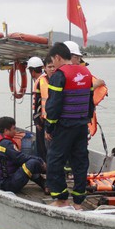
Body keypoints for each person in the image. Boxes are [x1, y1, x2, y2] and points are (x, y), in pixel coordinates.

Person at [45, 42, 94, 209]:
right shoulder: (86, 73)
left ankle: (61, 198)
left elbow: (53, 105)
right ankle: (78, 202)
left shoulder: (60, 75)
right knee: (80, 162)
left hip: (64, 126)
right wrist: (86, 120)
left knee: (54, 161)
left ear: (58, 57)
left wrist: (49, 127)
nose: (53, 64)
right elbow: (90, 103)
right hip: (81, 126)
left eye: (53, 60)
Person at [0, 117, 46, 193]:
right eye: (14, 129)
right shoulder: (5, 144)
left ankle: (45, 184)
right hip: (6, 184)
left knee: (28, 164)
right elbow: (20, 158)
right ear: (6, 130)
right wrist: (41, 161)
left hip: (1, 181)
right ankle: (49, 173)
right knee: (33, 163)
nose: (16, 131)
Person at [65, 41, 108, 138]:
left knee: (79, 149)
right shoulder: (61, 76)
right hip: (67, 122)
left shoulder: (82, 75)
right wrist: (96, 84)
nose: (79, 63)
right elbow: (75, 91)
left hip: (81, 120)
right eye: (77, 58)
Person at [29, 56, 50, 160]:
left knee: (42, 146)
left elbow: (37, 102)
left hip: (42, 120)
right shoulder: (48, 78)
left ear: (32, 71)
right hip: (50, 118)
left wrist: (37, 120)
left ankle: (45, 168)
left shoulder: (39, 81)